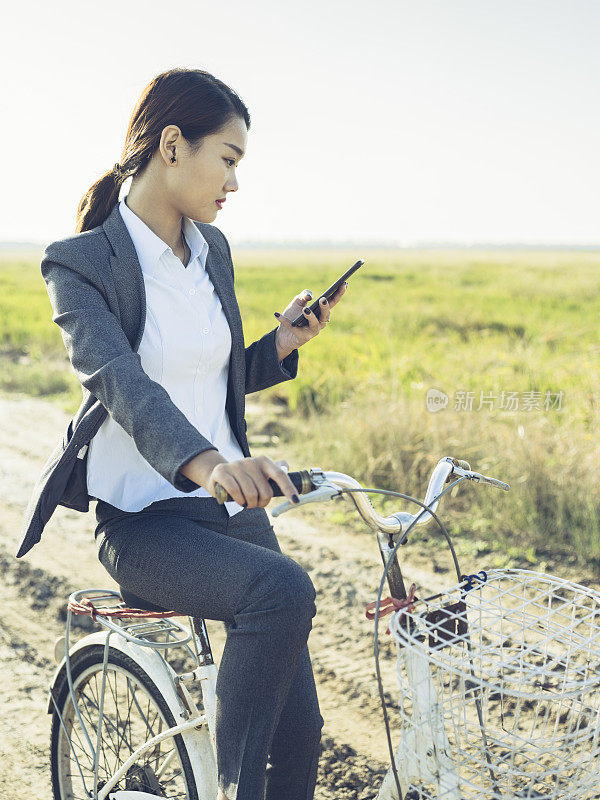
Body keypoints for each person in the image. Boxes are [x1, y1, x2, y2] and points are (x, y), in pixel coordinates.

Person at [35, 67, 348, 800]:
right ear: (172, 145)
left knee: (300, 737)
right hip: (145, 525)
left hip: (232, 514)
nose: (234, 183)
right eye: (229, 159)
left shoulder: (213, 252)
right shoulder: (80, 264)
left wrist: (278, 347)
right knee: (283, 589)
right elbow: (124, 382)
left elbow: (210, 380)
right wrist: (208, 466)